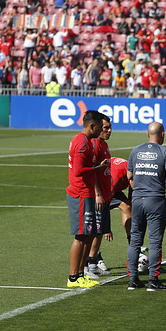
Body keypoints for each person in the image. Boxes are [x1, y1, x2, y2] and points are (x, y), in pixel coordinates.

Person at [126, 122, 166, 291]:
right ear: (162, 134)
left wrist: (140, 187)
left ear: (148, 134)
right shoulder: (165, 152)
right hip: (156, 200)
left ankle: (133, 279)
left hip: (137, 199)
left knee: (135, 241)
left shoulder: (135, 151)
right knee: (155, 242)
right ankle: (153, 280)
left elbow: (129, 176)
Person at [66, 110, 109, 288]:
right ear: (92, 125)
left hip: (87, 192)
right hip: (80, 192)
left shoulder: (87, 141)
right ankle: (73, 277)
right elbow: (78, 170)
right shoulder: (82, 142)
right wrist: (97, 168)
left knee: (88, 234)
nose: (101, 130)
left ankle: (80, 273)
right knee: (81, 236)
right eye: (99, 126)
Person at [86, 115, 113, 278]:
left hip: (106, 193)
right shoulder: (95, 144)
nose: (109, 131)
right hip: (99, 195)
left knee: (100, 230)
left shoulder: (104, 144)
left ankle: (93, 261)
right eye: (105, 128)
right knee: (94, 231)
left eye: (110, 128)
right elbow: (93, 171)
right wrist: (98, 194)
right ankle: (90, 263)